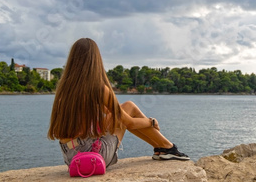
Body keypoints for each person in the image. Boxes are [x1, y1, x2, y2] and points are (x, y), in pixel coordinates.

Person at [47, 38, 189, 169]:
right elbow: (130, 123)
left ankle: (162, 147)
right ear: (95, 60)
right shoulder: (98, 89)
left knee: (126, 108)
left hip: (71, 157)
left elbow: (106, 115)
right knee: (129, 109)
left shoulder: (65, 90)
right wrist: (152, 122)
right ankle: (167, 147)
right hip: (93, 156)